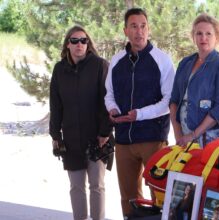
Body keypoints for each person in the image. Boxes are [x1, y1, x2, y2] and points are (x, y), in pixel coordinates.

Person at [104, 8, 175, 218]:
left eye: (143, 26)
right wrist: (113, 109)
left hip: (153, 139)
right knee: (128, 197)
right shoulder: (116, 61)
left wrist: (140, 114)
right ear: (126, 30)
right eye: (133, 26)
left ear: (149, 29)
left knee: (159, 195)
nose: (139, 31)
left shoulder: (162, 60)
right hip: (123, 140)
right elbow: (109, 95)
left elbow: (168, 102)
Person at [49, 25, 112, 220]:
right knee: (76, 186)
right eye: (74, 41)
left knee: (97, 185)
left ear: (88, 43)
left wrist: (105, 132)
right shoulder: (60, 70)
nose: (79, 44)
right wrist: (55, 135)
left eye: (83, 40)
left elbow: (107, 101)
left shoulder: (100, 65)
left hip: (97, 137)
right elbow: (56, 105)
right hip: (71, 138)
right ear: (68, 44)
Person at [170, 13, 219, 147]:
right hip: (183, 138)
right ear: (193, 37)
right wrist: (179, 136)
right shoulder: (185, 63)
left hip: (209, 139)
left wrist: (193, 135)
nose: (203, 38)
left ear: (216, 37)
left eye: (208, 34)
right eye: (199, 33)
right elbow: (174, 101)